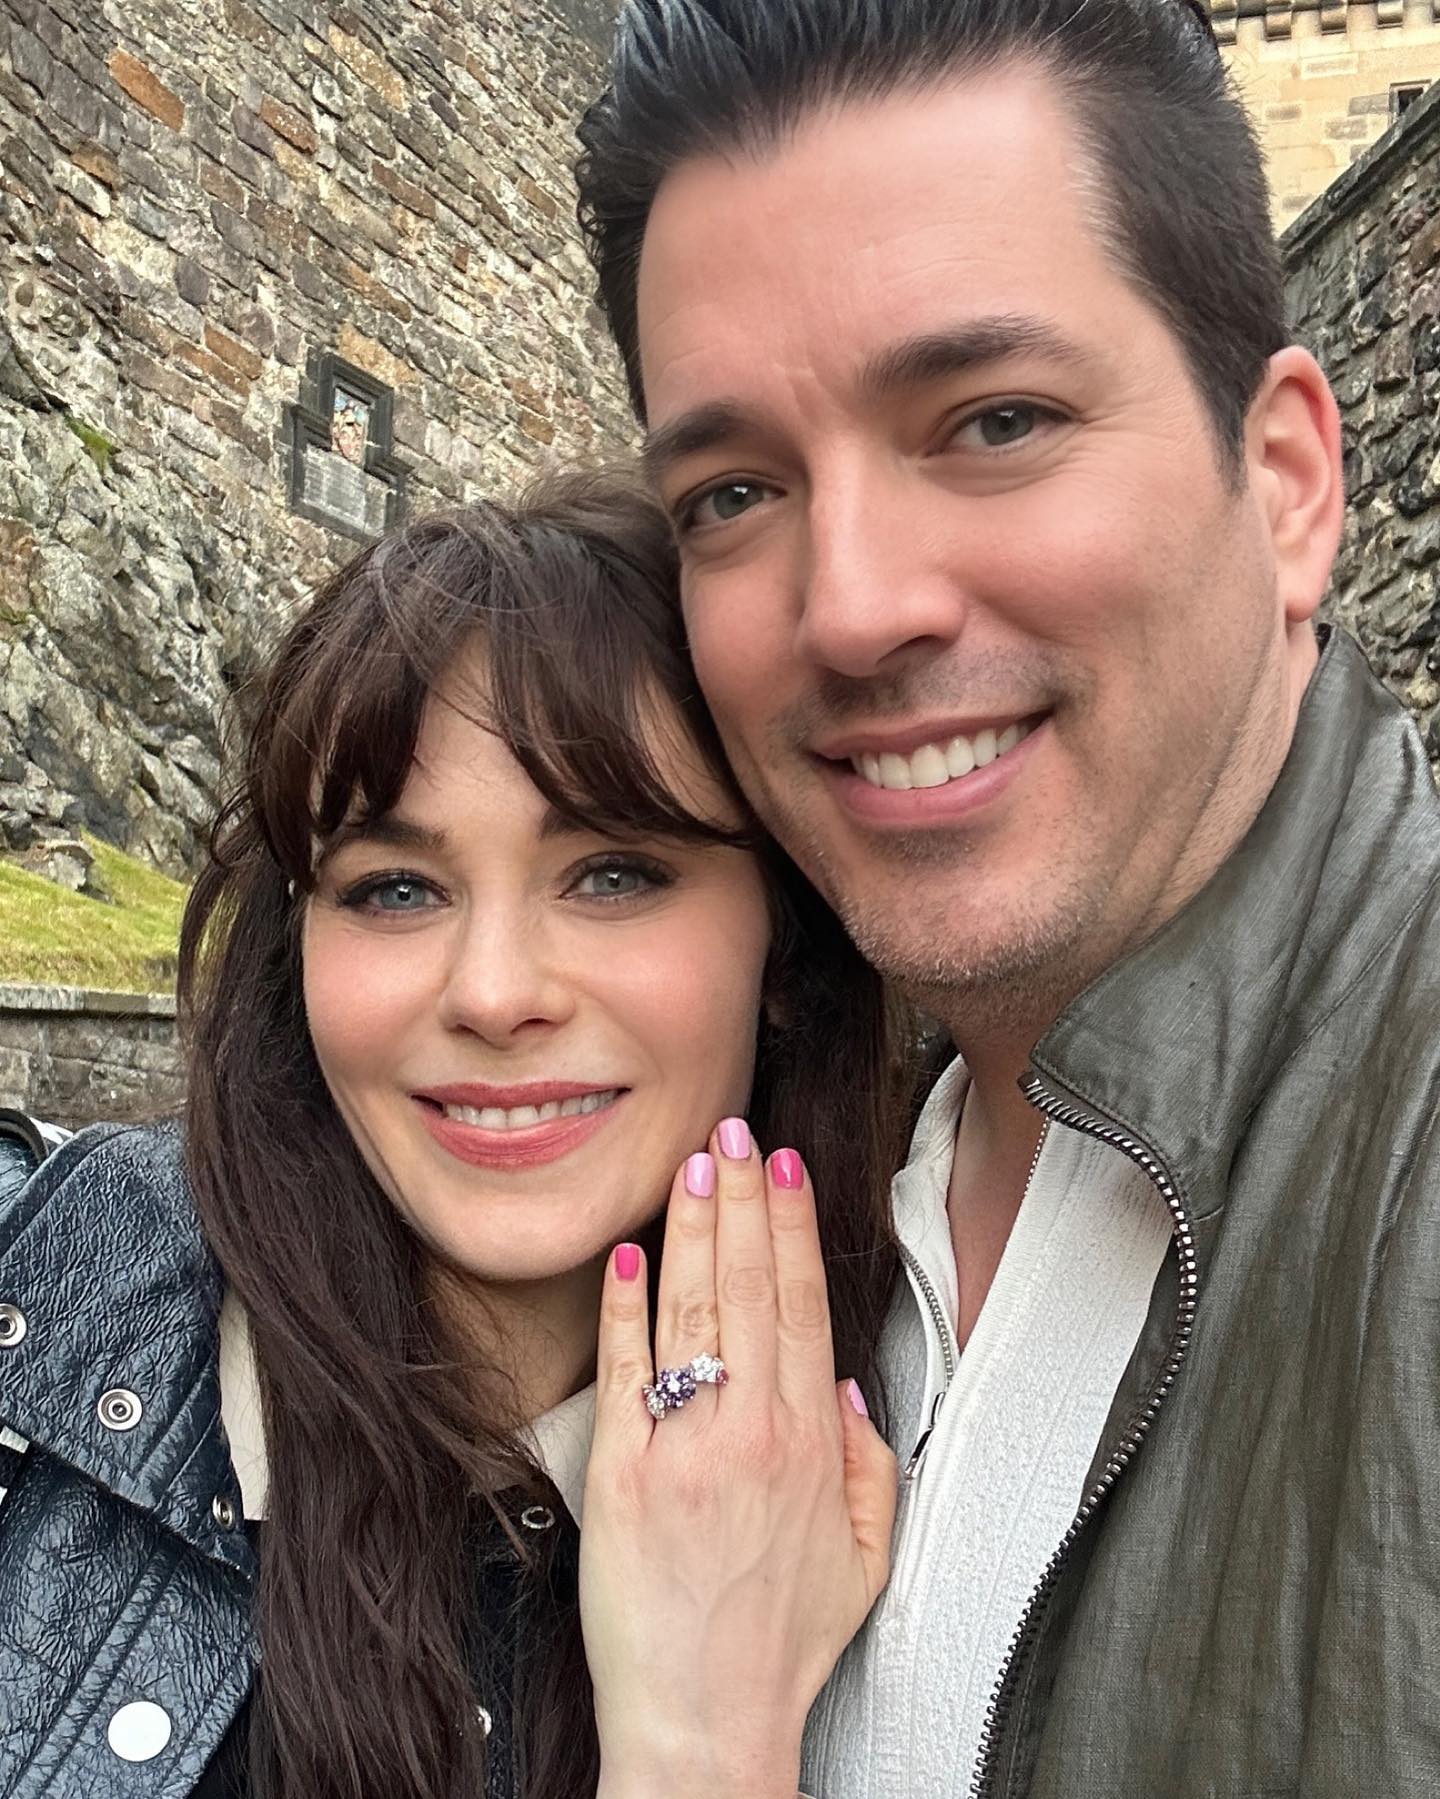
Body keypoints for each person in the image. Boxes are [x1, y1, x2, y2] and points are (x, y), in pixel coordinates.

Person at [575, 3, 1440, 1794]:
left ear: (1286, 483)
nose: (851, 607)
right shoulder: (775, 1168)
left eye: (994, 421)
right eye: (733, 493)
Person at [0, 474, 915, 1798]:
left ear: (785, 946)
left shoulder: (937, 1445)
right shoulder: (33, 1298)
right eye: (394, 889)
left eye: (612, 872)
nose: (492, 992)